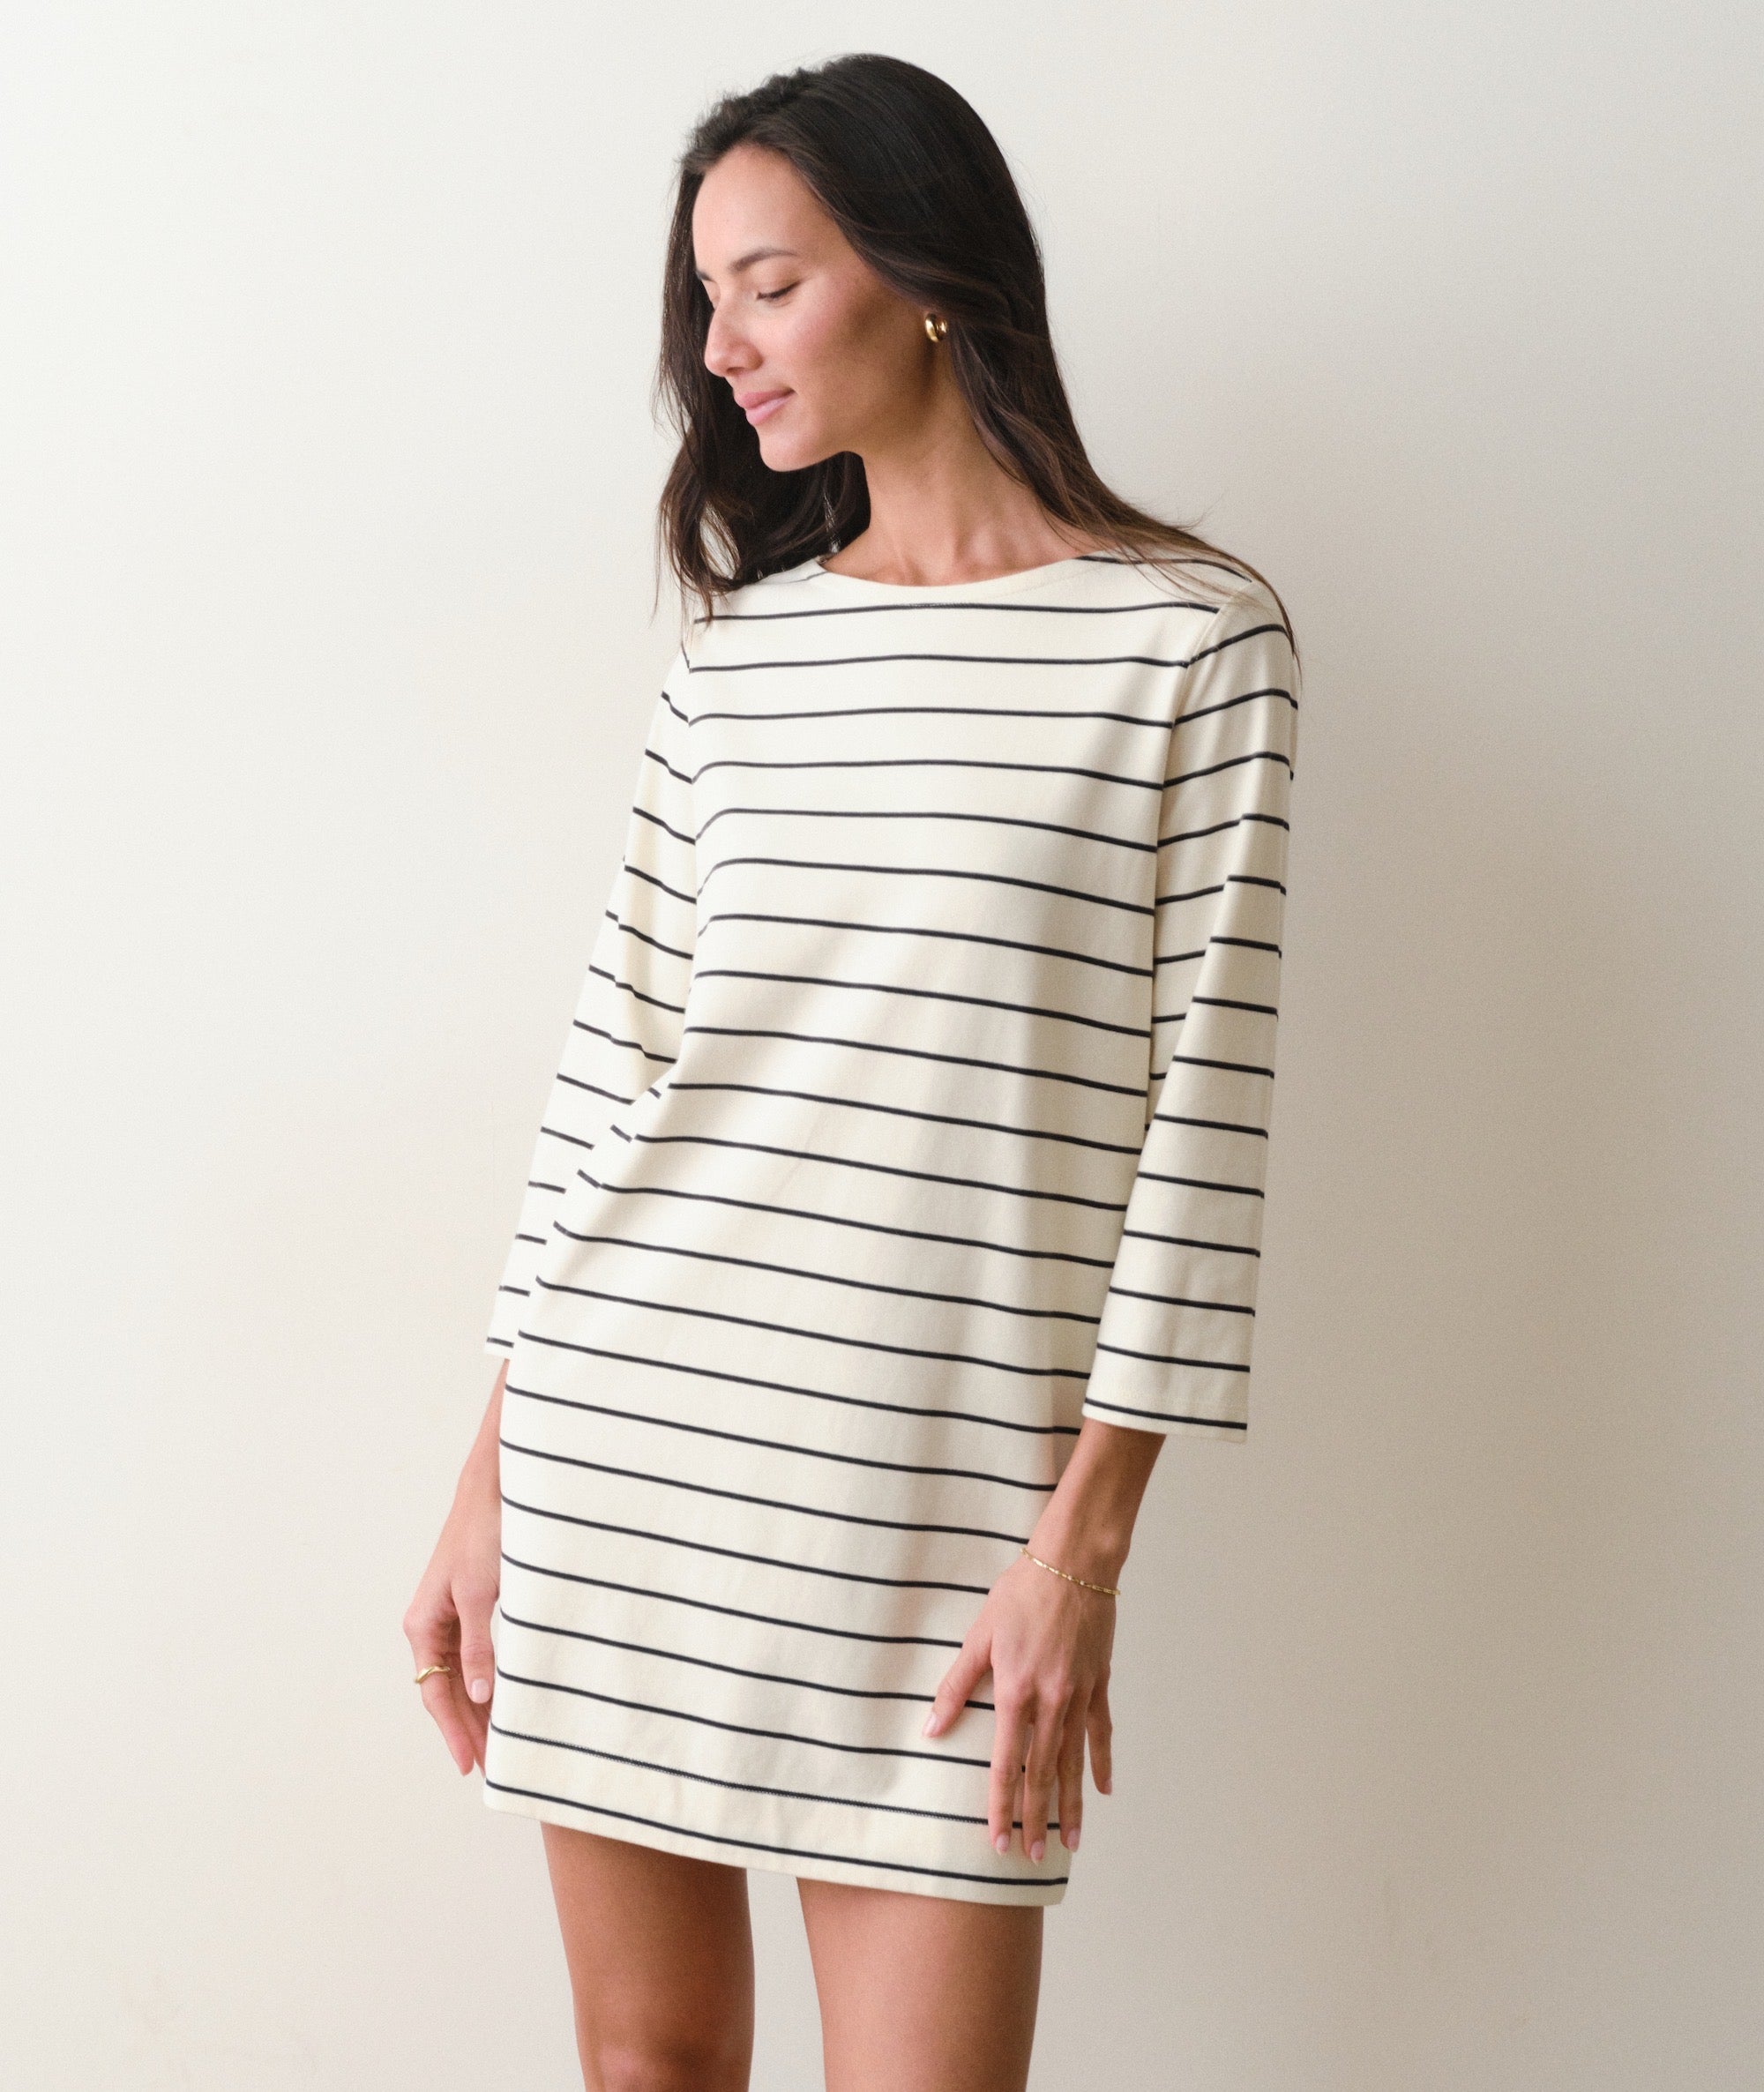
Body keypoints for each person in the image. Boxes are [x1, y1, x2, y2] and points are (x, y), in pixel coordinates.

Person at [406, 51, 1301, 2092]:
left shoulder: (1190, 644)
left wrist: (1081, 1548)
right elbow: (614, 1076)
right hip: (632, 1458)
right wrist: (489, 1476)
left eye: (769, 284)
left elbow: (1204, 1133)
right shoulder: (739, 665)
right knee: (647, 2066)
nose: (718, 347)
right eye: (703, 299)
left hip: (944, 1512)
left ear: (928, 275)